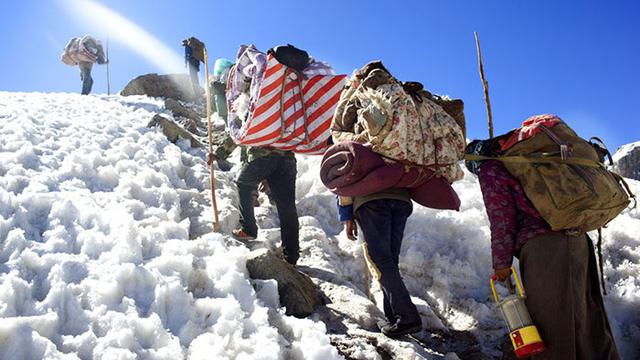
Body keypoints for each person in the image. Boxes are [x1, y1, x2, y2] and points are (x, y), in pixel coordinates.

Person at [466, 139, 620, 359]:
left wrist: (501, 263)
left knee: (550, 324)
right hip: (578, 240)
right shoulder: (528, 161)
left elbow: (502, 219)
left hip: (544, 248)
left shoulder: (491, 169)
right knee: (587, 319)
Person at [208, 142, 299, 266]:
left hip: (262, 156)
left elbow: (241, 131)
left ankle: (248, 229)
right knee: (287, 206)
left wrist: (219, 153)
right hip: (287, 159)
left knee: (244, 184)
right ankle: (291, 255)